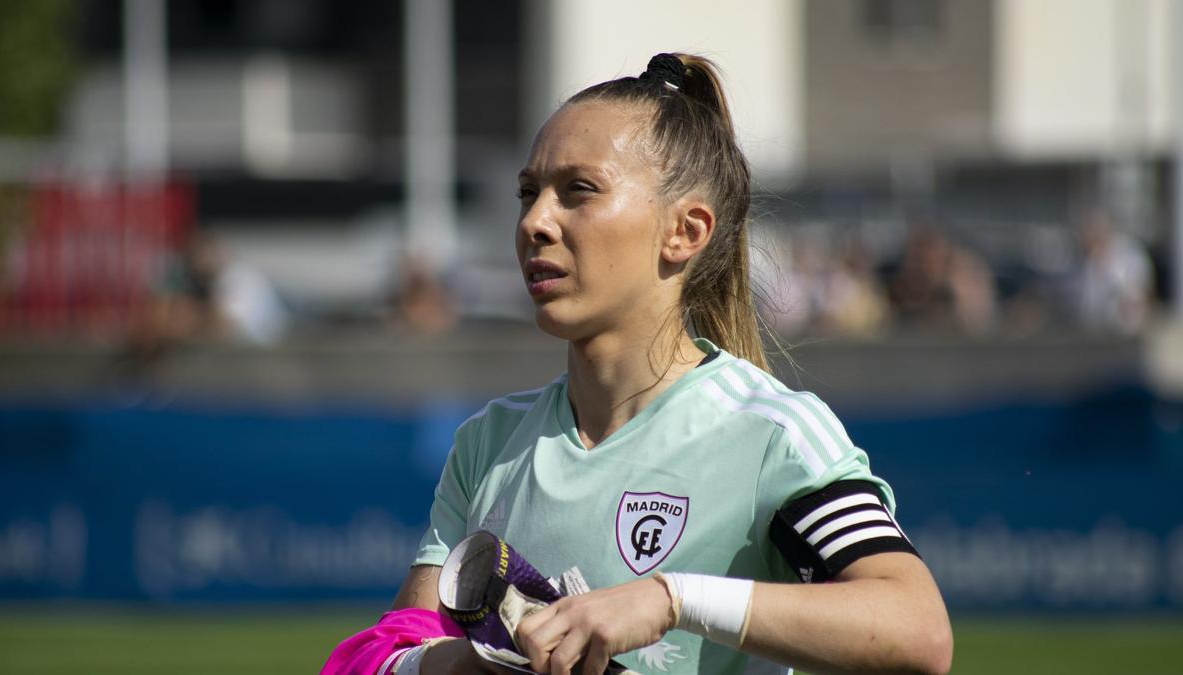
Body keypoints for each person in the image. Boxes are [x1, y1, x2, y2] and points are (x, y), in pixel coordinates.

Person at [322, 53, 952, 675]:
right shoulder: (489, 444)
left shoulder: (770, 435)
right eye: (528, 192)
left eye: (579, 191)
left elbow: (917, 631)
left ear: (685, 232)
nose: (536, 221)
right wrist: (473, 662)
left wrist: (671, 600)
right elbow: (390, 650)